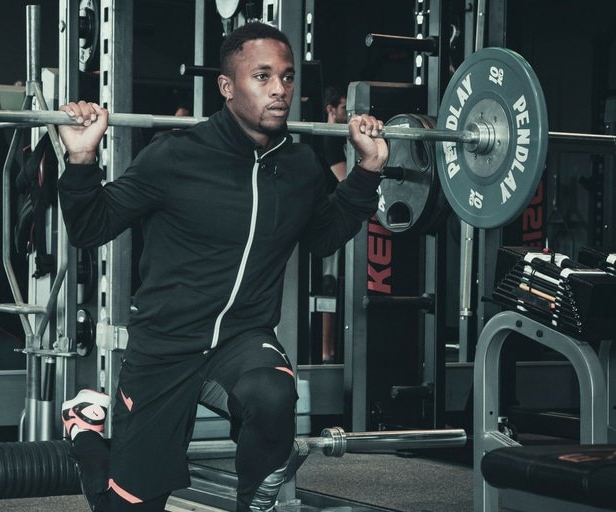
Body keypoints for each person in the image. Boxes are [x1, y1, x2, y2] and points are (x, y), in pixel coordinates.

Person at [56, 22, 387, 512]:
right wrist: (81, 158)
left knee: (273, 397)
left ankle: (255, 502)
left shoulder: (299, 168)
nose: (280, 90)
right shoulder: (173, 156)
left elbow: (323, 238)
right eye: (263, 76)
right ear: (227, 87)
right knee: (126, 506)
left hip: (241, 338)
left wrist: (368, 171)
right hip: (166, 344)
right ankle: (87, 431)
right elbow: (90, 227)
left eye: (288, 77)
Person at [322, 84, 349, 182]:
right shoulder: (330, 138)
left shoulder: (342, 134)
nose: (348, 112)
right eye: (344, 108)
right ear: (330, 109)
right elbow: (344, 178)